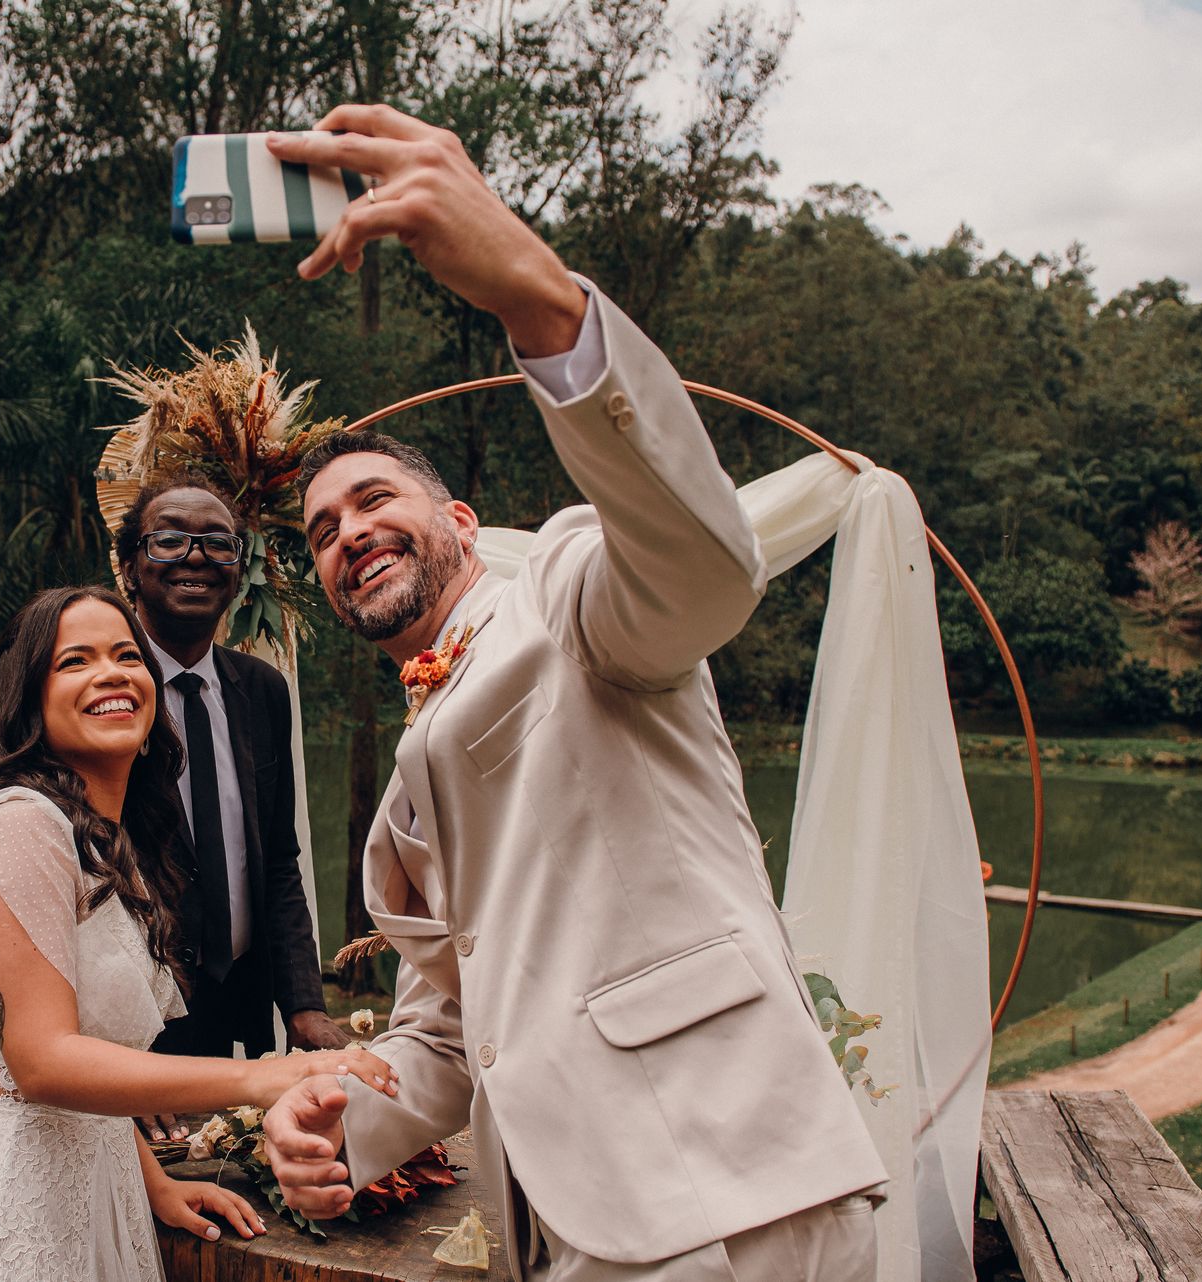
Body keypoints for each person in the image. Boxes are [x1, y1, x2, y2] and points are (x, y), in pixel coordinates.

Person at [260, 106, 890, 1281]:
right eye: (323, 531)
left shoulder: (566, 596)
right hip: (561, 1229)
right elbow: (454, 1027)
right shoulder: (409, 778)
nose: (348, 533)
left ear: (459, 523)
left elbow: (704, 566)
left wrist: (539, 303)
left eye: (374, 500)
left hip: (729, 1202)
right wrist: (343, 1119)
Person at [0, 585, 398, 1281]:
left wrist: (155, 1185)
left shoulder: (103, 843)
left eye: (125, 655)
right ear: (28, 702)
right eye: (74, 661)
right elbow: (43, 1062)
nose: (110, 673)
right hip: (6, 1219)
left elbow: (93, 1053)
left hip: (94, 1195)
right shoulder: (22, 829)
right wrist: (269, 1075)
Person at [111, 478, 348, 1078]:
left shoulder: (263, 691)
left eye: (219, 544)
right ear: (129, 567)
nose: (196, 556)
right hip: (127, 1026)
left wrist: (304, 1004)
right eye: (169, 540)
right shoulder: (102, 690)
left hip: (235, 1012)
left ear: (240, 572)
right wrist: (115, 1056)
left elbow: (277, 860)